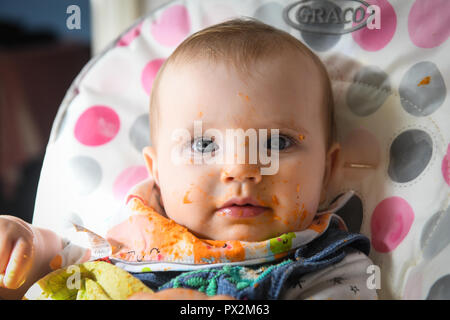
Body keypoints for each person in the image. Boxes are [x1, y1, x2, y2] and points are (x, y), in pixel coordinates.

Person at [0, 18, 377, 300]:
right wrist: (26, 248)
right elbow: (64, 269)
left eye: (276, 142)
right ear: (158, 172)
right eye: (202, 145)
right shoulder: (135, 237)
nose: (240, 168)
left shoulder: (329, 267)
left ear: (327, 170)